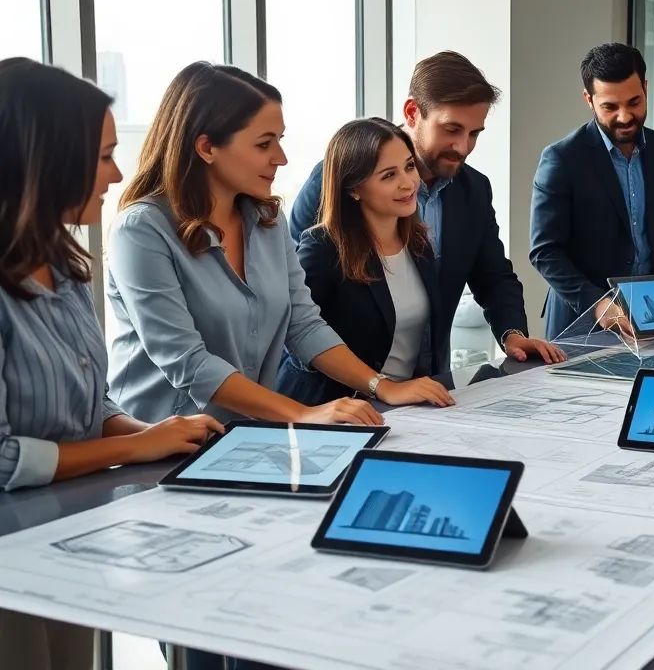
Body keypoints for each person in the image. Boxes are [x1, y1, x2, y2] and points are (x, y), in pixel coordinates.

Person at [0, 58, 223, 669]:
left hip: (68, 535)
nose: (117, 173)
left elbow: (84, 404)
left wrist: (155, 434)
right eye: (102, 156)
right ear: (44, 161)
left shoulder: (65, 267)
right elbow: (4, 457)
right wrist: (136, 448)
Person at [106, 62, 452, 429]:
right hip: (156, 446)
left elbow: (303, 325)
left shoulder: (268, 221)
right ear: (207, 147)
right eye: (263, 144)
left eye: (280, 141)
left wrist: (380, 386)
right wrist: (302, 413)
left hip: (245, 436)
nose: (280, 158)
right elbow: (187, 361)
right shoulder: (141, 231)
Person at [290, 52, 561, 369]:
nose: (463, 147)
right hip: (342, 394)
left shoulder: (474, 190)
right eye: (452, 129)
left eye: (474, 134)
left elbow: (493, 276)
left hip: (429, 385)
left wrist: (512, 334)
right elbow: (297, 305)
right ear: (412, 112)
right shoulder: (336, 180)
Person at [278, 118, 453, 404]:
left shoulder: (418, 242)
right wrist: (380, 386)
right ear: (353, 189)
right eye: (388, 175)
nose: (408, 183)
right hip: (331, 407)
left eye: (409, 167)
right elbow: (295, 337)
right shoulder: (322, 247)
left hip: (403, 406)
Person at [530, 43, 654, 340]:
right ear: (589, 100)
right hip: (582, 325)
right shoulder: (562, 159)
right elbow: (545, 252)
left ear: (645, 86)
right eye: (610, 107)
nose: (625, 116)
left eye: (634, 102)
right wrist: (599, 305)